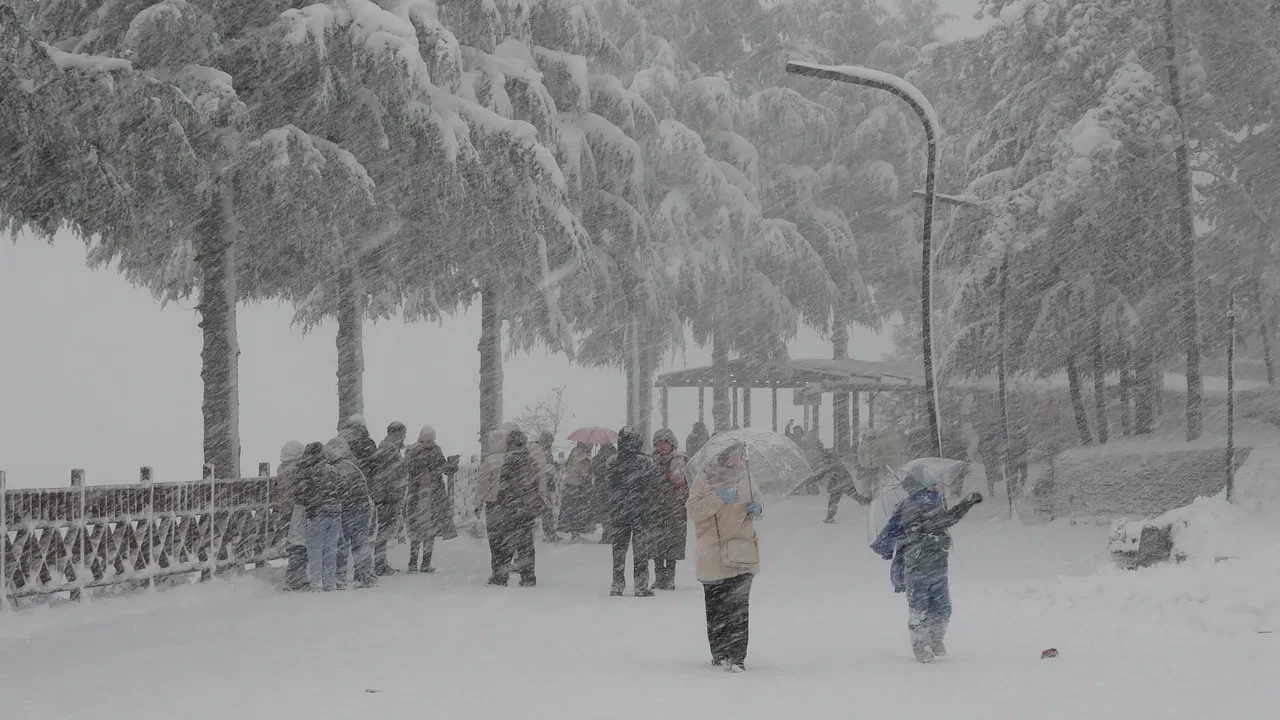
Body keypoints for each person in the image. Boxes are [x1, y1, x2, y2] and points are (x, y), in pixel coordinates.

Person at [871, 465, 983, 663]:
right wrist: (966, 504)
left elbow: (941, 521)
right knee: (919, 609)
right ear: (920, 485)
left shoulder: (932, 503)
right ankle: (921, 646)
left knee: (942, 607)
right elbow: (942, 521)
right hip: (917, 568)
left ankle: (935, 639)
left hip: (938, 566)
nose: (936, 486)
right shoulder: (913, 505)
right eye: (931, 483)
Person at [687, 442, 762, 672]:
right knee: (717, 608)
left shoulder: (746, 476)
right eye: (733, 453)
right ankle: (719, 653)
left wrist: (758, 506)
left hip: (742, 552)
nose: (737, 458)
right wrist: (717, 497)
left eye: (740, 453)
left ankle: (737, 657)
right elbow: (693, 510)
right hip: (713, 554)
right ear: (723, 455)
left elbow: (757, 498)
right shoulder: (705, 478)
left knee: (739, 608)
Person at [486, 428, 546, 587]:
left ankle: (501, 577)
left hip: (511, 508)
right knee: (526, 543)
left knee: (506, 544)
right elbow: (535, 483)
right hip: (527, 508)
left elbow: (504, 487)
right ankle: (528, 577)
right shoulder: (531, 461)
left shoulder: (509, 460)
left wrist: (501, 504)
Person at [606, 426, 657, 597]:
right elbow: (652, 485)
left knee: (619, 551)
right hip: (641, 511)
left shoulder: (612, 462)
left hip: (619, 511)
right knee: (641, 551)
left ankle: (617, 585)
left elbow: (608, 485)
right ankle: (641, 586)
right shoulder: (645, 462)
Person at [403, 425, 460, 574]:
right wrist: (452, 466)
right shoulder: (434, 450)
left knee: (417, 530)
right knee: (430, 531)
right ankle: (425, 564)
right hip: (433, 496)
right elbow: (443, 468)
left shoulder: (412, 451)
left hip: (417, 496)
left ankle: (413, 563)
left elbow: (408, 469)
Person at [327, 437, 377, 589]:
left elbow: (336, 492)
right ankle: (366, 576)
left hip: (346, 510)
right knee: (360, 545)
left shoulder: (336, 469)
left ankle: (339, 578)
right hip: (362, 509)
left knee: (341, 545)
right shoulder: (355, 465)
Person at [300, 441, 343, 592]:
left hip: (319, 513)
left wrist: (310, 508)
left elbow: (307, 494)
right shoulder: (333, 469)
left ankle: (316, 582)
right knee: (330, 549)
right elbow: (341, 489)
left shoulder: (311, 471)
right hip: (335, 512)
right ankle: (329, 582)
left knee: (315, 549)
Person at [366, 422, 407, 576]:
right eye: (403, 434)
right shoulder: (387, 450)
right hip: (387, 497)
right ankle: (379, 564)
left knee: (384, 532)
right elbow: (385, 476)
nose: (404, 437)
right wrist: (389, 495)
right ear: (396, 434)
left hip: (388, 496)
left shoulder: (389, 449)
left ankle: (381, 563)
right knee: (382, 532)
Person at [650, 429, 688, 590]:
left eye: (666, 443)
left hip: (675, 508)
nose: (663, 446)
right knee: (657, 543)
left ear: (672, 444)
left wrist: (680, 484)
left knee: (673, 543)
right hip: (656, 508)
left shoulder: (682, 461)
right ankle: (659, 576)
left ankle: (670, 577)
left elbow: (690, 484)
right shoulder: (650, 461)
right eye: (660, 443)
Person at [277, 441, 308, 590]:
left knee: (294, 546)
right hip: (297, 511)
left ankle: (293, 578)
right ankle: (296, 579)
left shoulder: (282, 469)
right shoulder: (297, 471)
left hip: (286, 511)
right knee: (299, 546)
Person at [559, 442, 596, 540]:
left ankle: (573, 532)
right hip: (577, 486)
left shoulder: (574, 452)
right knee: (577, 511)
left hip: (569, 485)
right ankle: (576, 533)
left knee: (571, 510)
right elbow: (581, 471)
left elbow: (569, 467)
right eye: (591, 446)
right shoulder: (583, 455)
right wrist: (587, 474)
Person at [536, 431, 561, 542]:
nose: (551, 442)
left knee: (547, 509)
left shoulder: (546, 450)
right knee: (546, 510)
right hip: (543, 484)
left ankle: (550, 533)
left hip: (547, 483)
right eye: (550, 440)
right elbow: (542, 467)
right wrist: (552, 467)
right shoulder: (540, 450)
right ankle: (549, 534)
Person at [592, 443, 616, 544]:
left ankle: (606, 534)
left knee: (604, 511)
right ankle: (611, 534)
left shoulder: (598, 458)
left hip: (601, 488)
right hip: (612, 488)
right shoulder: (615, 456)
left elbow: (594, 470)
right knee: (611, 512)